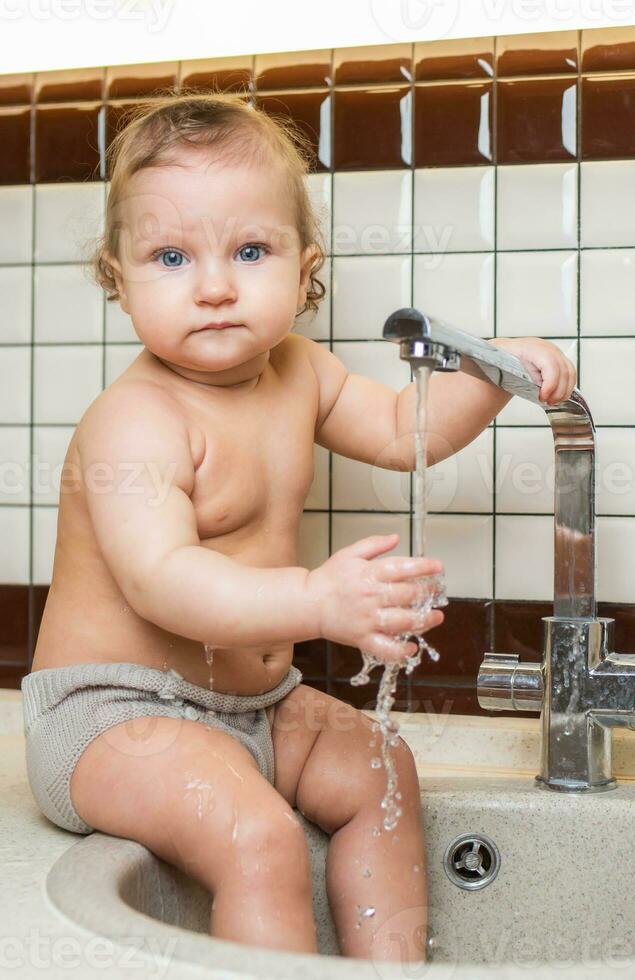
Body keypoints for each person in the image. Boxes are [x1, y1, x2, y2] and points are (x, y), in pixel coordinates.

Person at [20, 91, 576, 964]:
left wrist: (496, 371)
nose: (214, 286)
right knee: (258, 834)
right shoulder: (135, 420)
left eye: (250, 250)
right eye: (171, 256)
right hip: (112, 719)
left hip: (254, 706)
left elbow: (406, 431)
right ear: (117, 277)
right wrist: (320, 599)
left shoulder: (299, 372)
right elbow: (163, 579)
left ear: (304, 269)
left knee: (382, 766)